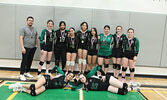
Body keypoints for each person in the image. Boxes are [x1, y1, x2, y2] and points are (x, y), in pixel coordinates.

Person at [9, 65, 74, 96]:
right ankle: (19, 85)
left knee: (33, 93)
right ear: (67, 74)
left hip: (47, 86)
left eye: (71, 76)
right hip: (46, 79)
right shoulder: (62, 74)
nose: (69, 76)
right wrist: (50, 74)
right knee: (34, 87)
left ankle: (22, 89)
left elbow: (77, 85)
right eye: (69, 75)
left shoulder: (67, 84)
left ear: (71, 79)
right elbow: (56, 67)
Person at [19, 16, 38, 81]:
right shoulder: (23, 28)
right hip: (26, 47)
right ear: (27, 21)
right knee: (24, 61)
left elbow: (35, 37)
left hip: (32, 47)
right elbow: (21, 38)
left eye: (32, 21)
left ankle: (27, 72)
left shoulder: (34, 29)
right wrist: (22, 47)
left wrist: (36, 45)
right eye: (29, 20)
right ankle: (21, 74)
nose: (31, 22)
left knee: (30, 60)